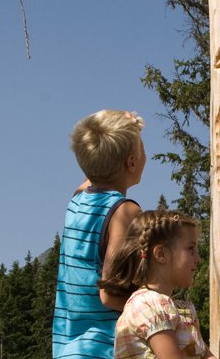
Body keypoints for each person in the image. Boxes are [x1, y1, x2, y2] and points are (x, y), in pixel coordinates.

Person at [53, 110, 146, 358]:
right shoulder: (125, 211)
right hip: (106, 348)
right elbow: (110, 293)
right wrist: (156, 303)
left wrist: (107, 119)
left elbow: (93, 169)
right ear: (132, 162)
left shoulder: (77, 201)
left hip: (69, 349)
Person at [99, 210, 214, 359]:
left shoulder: (182, 310)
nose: (198, 258)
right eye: (191, 249)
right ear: (161, 254)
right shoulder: (149, 304)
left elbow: (206, 355)